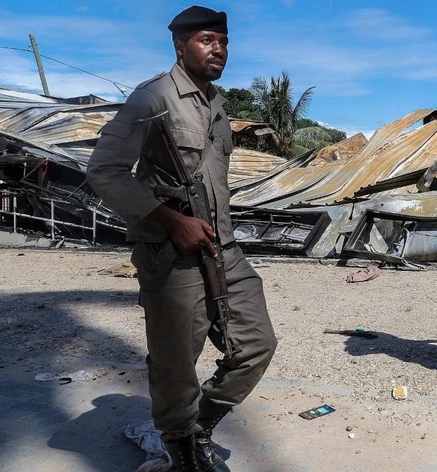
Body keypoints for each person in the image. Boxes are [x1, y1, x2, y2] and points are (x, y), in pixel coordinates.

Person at [86, 6, 277, 471]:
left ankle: (202, 423)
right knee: (177, 362)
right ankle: (183, 450)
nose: (218, 50)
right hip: (171, 253)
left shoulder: (215, 102)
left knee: (256, 344)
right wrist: (172, 221)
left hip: (223, 246)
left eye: (224, 42)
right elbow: (105, 170)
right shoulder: (152, 98)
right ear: (180, 45)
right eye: (207, 40)